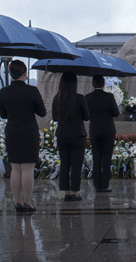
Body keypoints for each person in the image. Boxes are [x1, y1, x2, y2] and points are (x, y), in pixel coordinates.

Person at [0, 60, 47, 213]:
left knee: (15, 168)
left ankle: (17, 202)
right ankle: (27, 202)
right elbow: (42, 112)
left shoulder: (4, 92)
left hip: (12, 130)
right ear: (25, 74)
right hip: (28, 131)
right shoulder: (32, 91)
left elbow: (3, 114)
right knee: (27, 168)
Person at [52, 72, 90, 201]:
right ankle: (74, 191)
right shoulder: (79, 98)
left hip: (62, 134)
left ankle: (66, 191)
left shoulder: (57, 98)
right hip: (78, 134)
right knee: (76, 164)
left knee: (65, 163)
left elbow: (54, 117)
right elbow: (86, 116)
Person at [86, 76, 121, 193]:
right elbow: (116, 113)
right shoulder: (109, 96)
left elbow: (86, 116)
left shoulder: (88, 97)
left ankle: (97, 185)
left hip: (94, 131)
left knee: (96, 158)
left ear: (93, 84)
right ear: (103, 84)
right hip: (108, 131)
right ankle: (105, 185)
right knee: (106, 159)